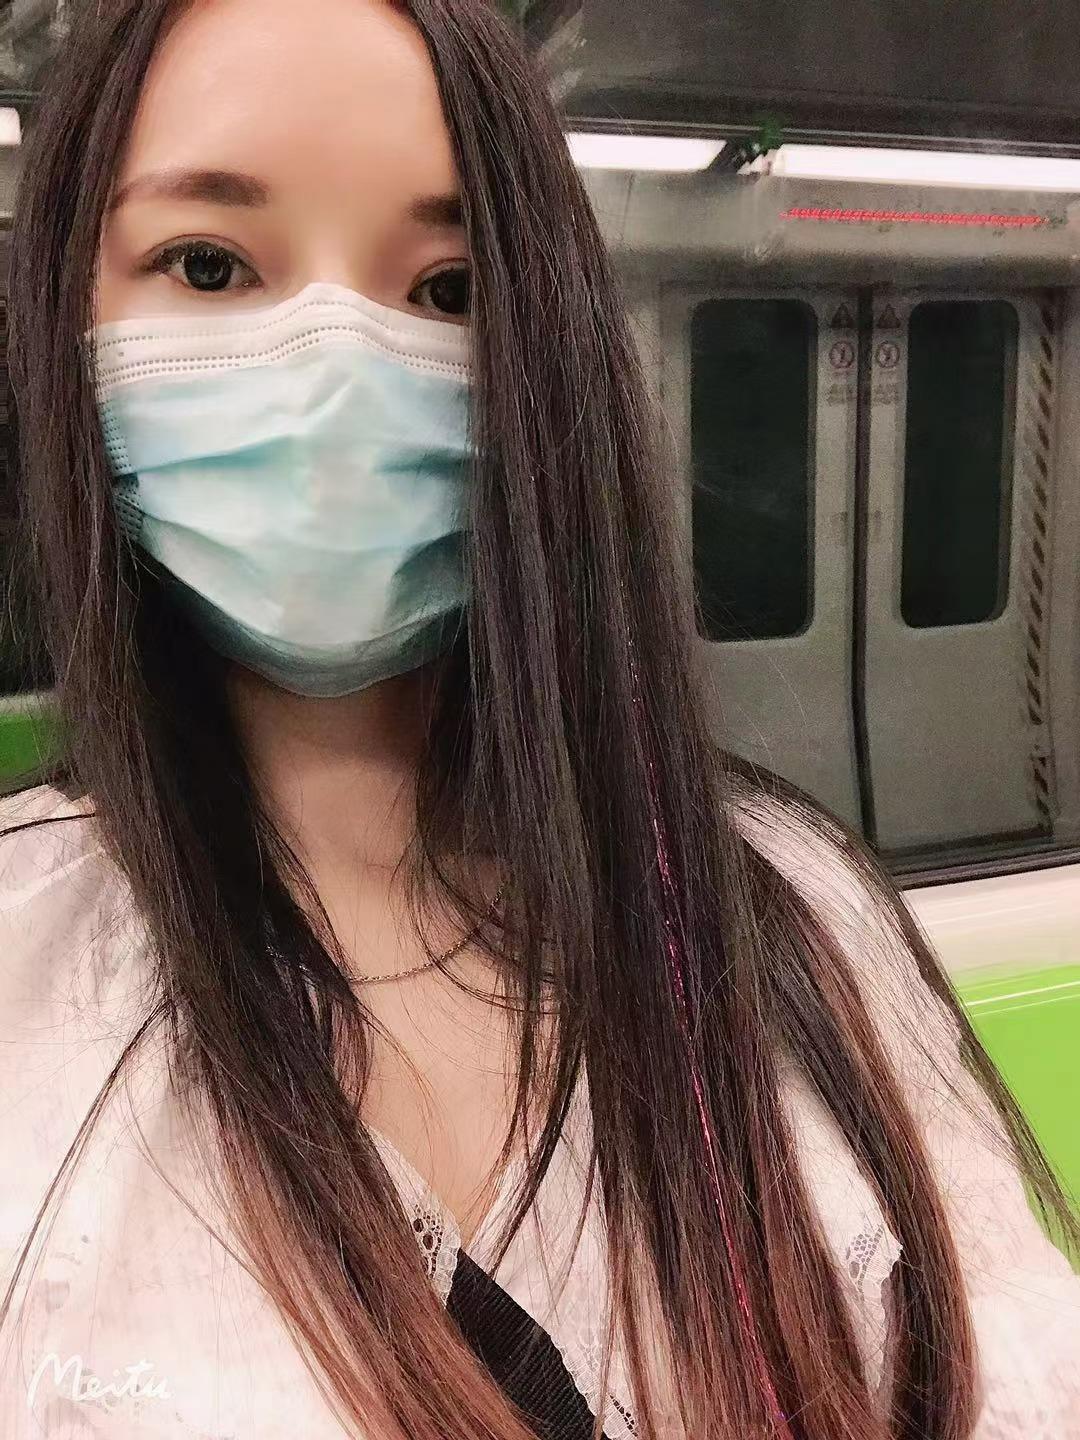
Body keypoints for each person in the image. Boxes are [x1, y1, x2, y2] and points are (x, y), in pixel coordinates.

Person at [1, 1, 1077, 1436]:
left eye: (449, 290)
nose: (335, 372)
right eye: (209, 264)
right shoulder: (25, 964)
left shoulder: (788, 916)